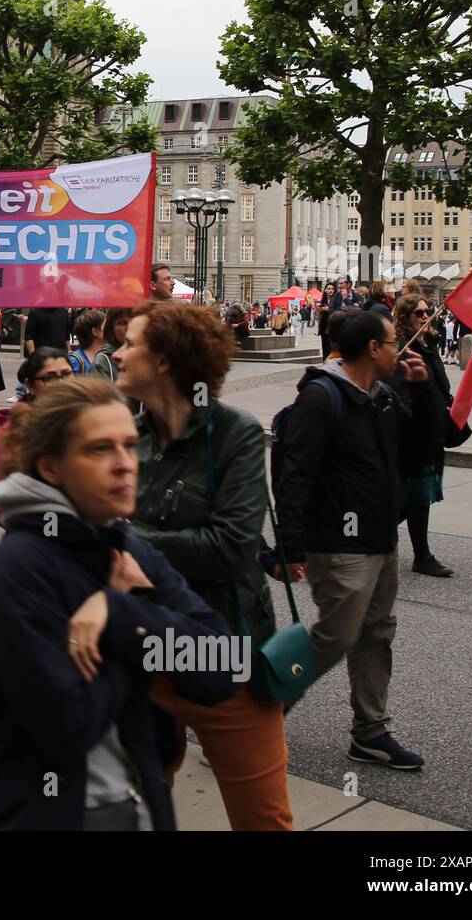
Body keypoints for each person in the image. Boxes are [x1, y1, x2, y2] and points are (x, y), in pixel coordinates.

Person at [0, 377, 235, 830]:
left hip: (129, 809)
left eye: (129, 445)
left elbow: (222, 664)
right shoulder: (18, 574)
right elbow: (72, 725)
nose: (125, 465)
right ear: (51, 467)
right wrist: (134, 617)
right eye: (100, 449)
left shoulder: (125, 546)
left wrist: (119, 611)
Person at [116, 300, 293, 830]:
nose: (118, 353)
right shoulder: (125, 434)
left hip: (229, 651)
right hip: (144, 655)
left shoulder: (234, 433)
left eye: (130, 344)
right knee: (141, 811)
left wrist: (126, 541)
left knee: (263, 820)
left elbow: (230, 548)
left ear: (166, 361)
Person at [274, 310, 438, 771]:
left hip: (380, 536)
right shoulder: (321, 397)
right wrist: (290, 545)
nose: (398, 349)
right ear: (371, 348)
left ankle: (370, 732)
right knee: (336, 635)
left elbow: (426, 448)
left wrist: (422, 389)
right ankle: (254, 716)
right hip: (339, 540)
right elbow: (294, 473)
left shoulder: (381, 395)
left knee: (375, 633)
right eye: (392, 342)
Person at [394, 295, 454, 578]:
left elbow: (438, 384)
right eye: (419, 312)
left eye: (427, 311)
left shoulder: (427, 345)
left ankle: (360, 534)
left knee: (417, 497)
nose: (425, 316)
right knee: (415, 497)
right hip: (414, 435)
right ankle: (422, 555)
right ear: (405, 316)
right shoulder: (404, 350)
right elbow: (403, 396)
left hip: (432, 431)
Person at [0, 348, 71, 527]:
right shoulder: (14, 430)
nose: (61, 383)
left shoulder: (85, 420)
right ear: (30, 386)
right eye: (50, 378)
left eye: (67, 374)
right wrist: (38, 530)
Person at [92, 308, 132, 382]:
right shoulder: (103, 361)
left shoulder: (148, 356)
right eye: (122, 323)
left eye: (133, 321)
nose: (129, 327)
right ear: (111, 329)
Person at [68, 310, 106, 376]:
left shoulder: (108, 356)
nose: (110, 329)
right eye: (105, 326)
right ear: (95, 331)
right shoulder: (75, 361)